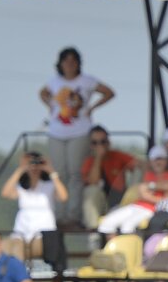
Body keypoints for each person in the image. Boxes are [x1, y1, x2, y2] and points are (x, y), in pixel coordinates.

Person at [40, 47, 113, 227]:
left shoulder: (87, 81)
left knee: (75, 174)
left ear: (78, 63)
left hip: (79, 132)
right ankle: (59, 214)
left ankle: (73, 215)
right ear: (60, 64)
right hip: (57, 132)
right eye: (66, 61)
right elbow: (42, 92)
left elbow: (108, 92)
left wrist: (92, 108)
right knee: (59, 174)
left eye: (73, 61)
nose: (70, 64)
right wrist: (50, 105)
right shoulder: (54, 81)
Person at [1, 152, 67, 262]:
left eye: (37, 163)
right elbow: (5, 193)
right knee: (3, 246)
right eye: (31, 163)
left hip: (42, 236)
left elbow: (63, 196)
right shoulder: (22, 188)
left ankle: (20, 276)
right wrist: (21, 169)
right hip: (20, 234)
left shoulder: (49, 186)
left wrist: (51, 171)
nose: (34, 167)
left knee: (17, 249)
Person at [97, 146, 168, 235]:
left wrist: (147, 196)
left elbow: (166, 200)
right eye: (155, 159)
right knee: (107, 223)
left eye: (161, 159)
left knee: (127, 226)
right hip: (136, 205)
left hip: (151, 210)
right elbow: (142, 193)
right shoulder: (148, 175)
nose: (158, 162)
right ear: (151, 161)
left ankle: (129, 248)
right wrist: (147, 196)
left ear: (167, 161)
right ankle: (112, 247)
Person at [80, 126, 138, 230]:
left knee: (138, 177)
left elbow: (139, 165)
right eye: (95, 143)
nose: (100, 146)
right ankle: (94, 234)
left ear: (108, 143)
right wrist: (98, 158)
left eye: (103, 142)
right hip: (101, 204)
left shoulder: (117, 155)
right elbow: (93, 182)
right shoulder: (89, 161)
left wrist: (133, 188)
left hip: (120, 201)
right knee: (91, 191)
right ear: (90, 145)